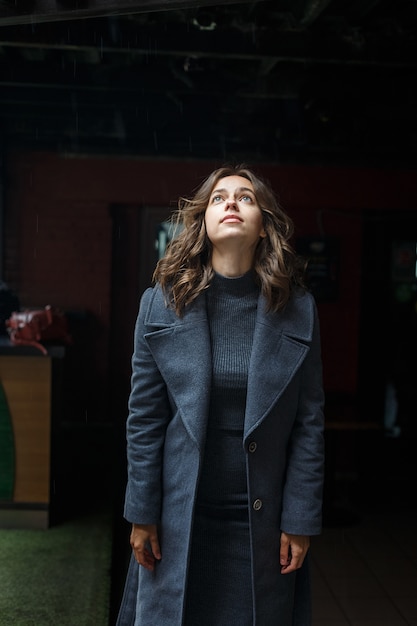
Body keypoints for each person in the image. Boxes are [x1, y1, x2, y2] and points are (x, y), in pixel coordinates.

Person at [116, 165, 325, 626]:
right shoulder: (161, 302)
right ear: (203, 223)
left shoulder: (298, 309)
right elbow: (145, 417)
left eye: (246, 197)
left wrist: (300, 518)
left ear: (265, 225)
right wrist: (141, 512)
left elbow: (309, 424)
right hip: (177, 519)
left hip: (261, 525)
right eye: (219, 198)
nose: (231, 203)